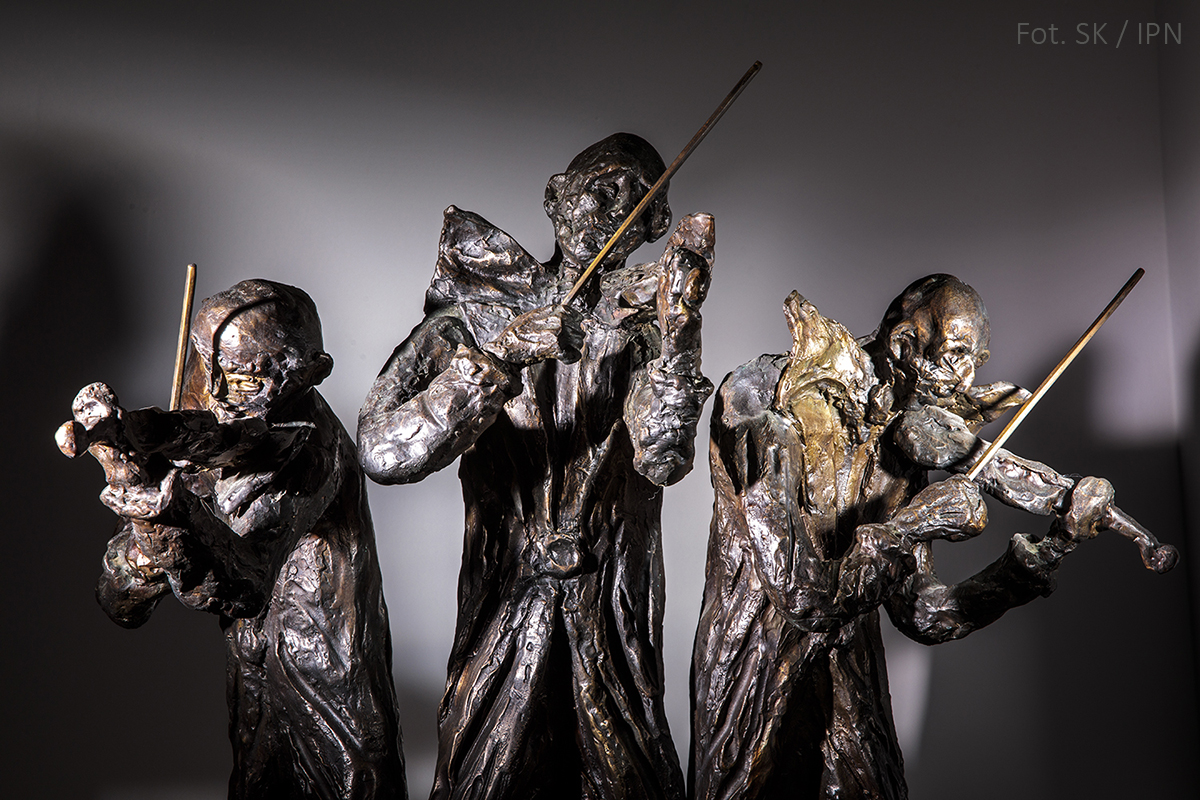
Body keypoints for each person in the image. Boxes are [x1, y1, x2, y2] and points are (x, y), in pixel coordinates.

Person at [358, 133, 714, 800]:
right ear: (556, 195)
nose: (613, 208)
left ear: (656, 225)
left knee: (628, 778)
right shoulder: (474, 314)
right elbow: (381, 451)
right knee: (483, 776)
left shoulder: (646, 326)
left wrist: (681, 332)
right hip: (504, 595)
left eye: (637, 200)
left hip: (611, 603)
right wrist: (500, 355)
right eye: (599, 187)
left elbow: (663, 457)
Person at [690, 275, 1116, 800]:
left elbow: (922, 614)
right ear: (905, 344)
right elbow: (804, 598)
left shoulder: (904, 435)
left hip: (849, 682)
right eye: (956, 355)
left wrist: (1041, 556)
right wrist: (914, 524)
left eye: (978, 360)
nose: (967, 380)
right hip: (754, 670)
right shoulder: (766, 397)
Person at [63, 280, 406, 800]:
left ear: (310, 374)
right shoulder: (203, 417)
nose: (217, 394)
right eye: (207, 367)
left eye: (245, 378)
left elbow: (244, 590)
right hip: (253, 675)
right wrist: (131, 480)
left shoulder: (312, 448)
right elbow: (120, 602)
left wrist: (166, 517)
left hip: (327, 681)